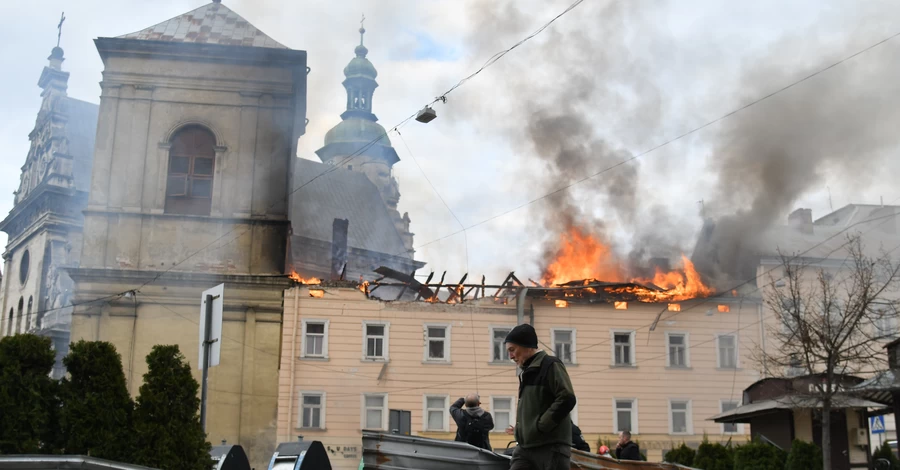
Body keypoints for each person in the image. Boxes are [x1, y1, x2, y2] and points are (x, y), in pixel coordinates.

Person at [505, 323, 577, 470]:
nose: (511, 356)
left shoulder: (550, 364)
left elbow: (567, 397)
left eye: (513, 350)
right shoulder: (527, 371)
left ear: (527, 346)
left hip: (551, 447)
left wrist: (541, 426)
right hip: (525, 448)